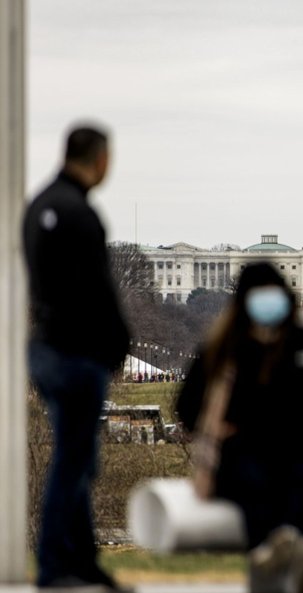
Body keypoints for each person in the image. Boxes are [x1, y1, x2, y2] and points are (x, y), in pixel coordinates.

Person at [176, 262, 303, 593]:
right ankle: (291, 549)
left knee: (302, 477)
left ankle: (277, 551)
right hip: (246, 453)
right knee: (259, 481)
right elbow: (187, 406)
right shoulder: (225, 349)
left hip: (299, 453)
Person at [23, 124, 131, 592]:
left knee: (77, 460)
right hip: (77, 354)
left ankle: (83, 564)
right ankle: (53, 568)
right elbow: (99, 292)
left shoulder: (38, 208)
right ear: (100, 159)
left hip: (45, 349)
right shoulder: (82, 215)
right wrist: (117, 344)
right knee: (73, 462)